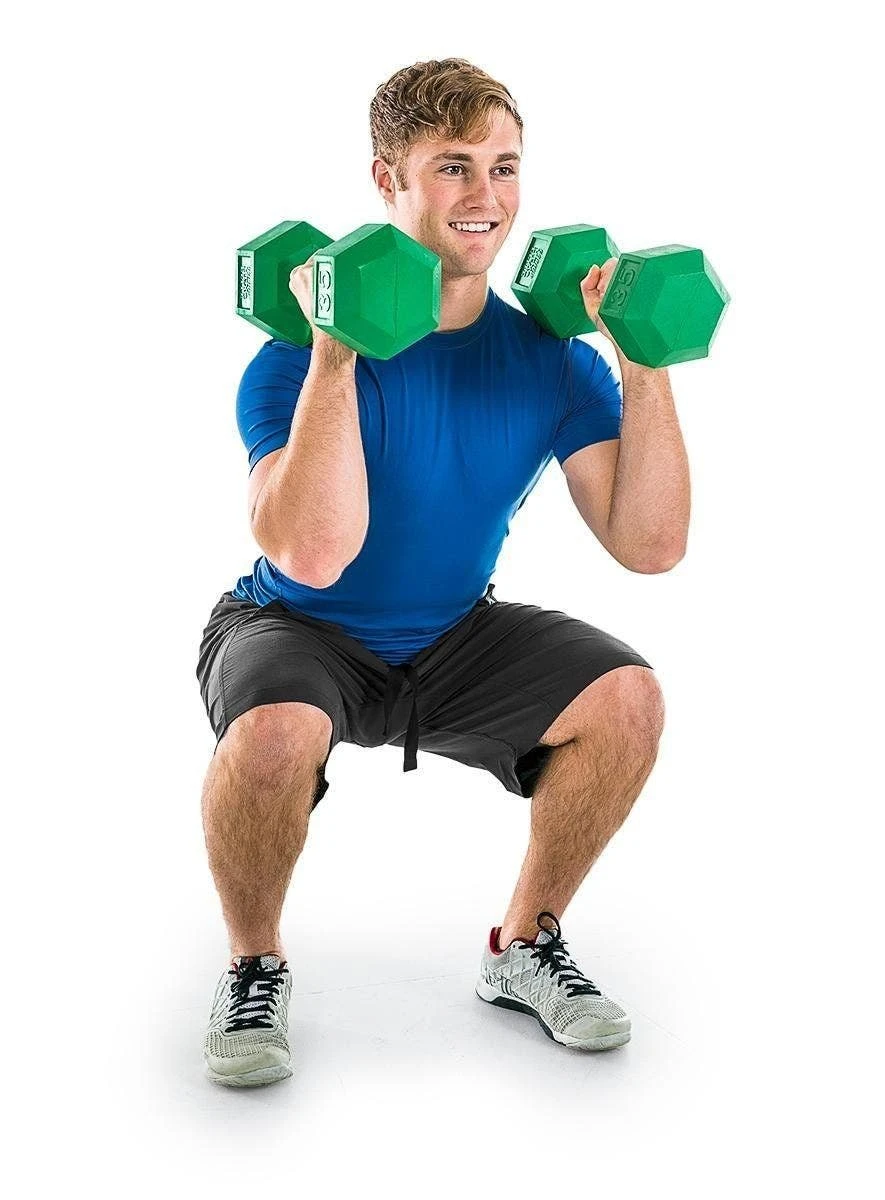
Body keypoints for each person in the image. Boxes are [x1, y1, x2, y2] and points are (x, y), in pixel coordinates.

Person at [196, 57, 689, 1087]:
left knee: (629, 699)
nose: (485, 196)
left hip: (455, 632)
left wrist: (641, 364)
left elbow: (648, 545)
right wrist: (336, 351)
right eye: (453, 166)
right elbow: (312, 554)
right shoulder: (290, 360)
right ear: (388, 181)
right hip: (294, 624)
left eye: (504, 168)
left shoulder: (553, 361)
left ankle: (526, 946)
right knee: (273, 732)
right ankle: (253, 965)